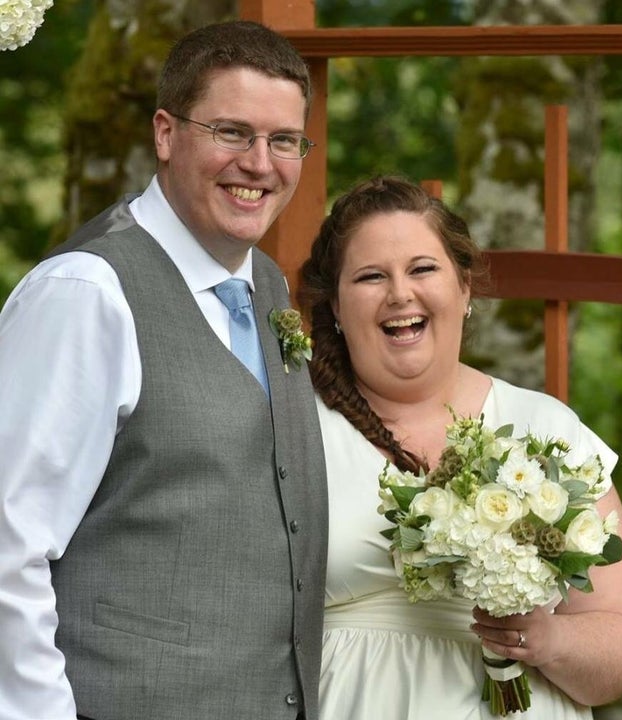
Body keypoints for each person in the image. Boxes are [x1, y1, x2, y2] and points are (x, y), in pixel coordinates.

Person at [0, 20, 327, 720]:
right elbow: (8, 545)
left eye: (283, 141)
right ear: (166, 133)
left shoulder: (267, 286)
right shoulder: (86, 293)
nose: (260, 164)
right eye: (232, 132)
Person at [298, 175, 622, 719]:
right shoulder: (295, 426)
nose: (401, 294)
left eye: (423, 269)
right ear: (336, 309)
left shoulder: (544, 426)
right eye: (372, 276)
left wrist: (547, 640)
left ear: (464, 289)